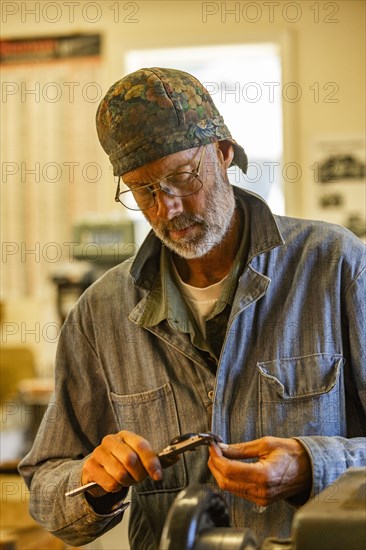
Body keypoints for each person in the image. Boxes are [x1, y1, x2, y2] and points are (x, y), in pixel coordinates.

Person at [18, 67, 366, 549]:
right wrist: (92, 484)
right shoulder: (100, 314)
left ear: (223, 153)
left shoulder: (337, 267)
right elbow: (46, 487)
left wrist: (315, 466)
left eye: (182, 177)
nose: (168, 208)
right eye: (144, 191)